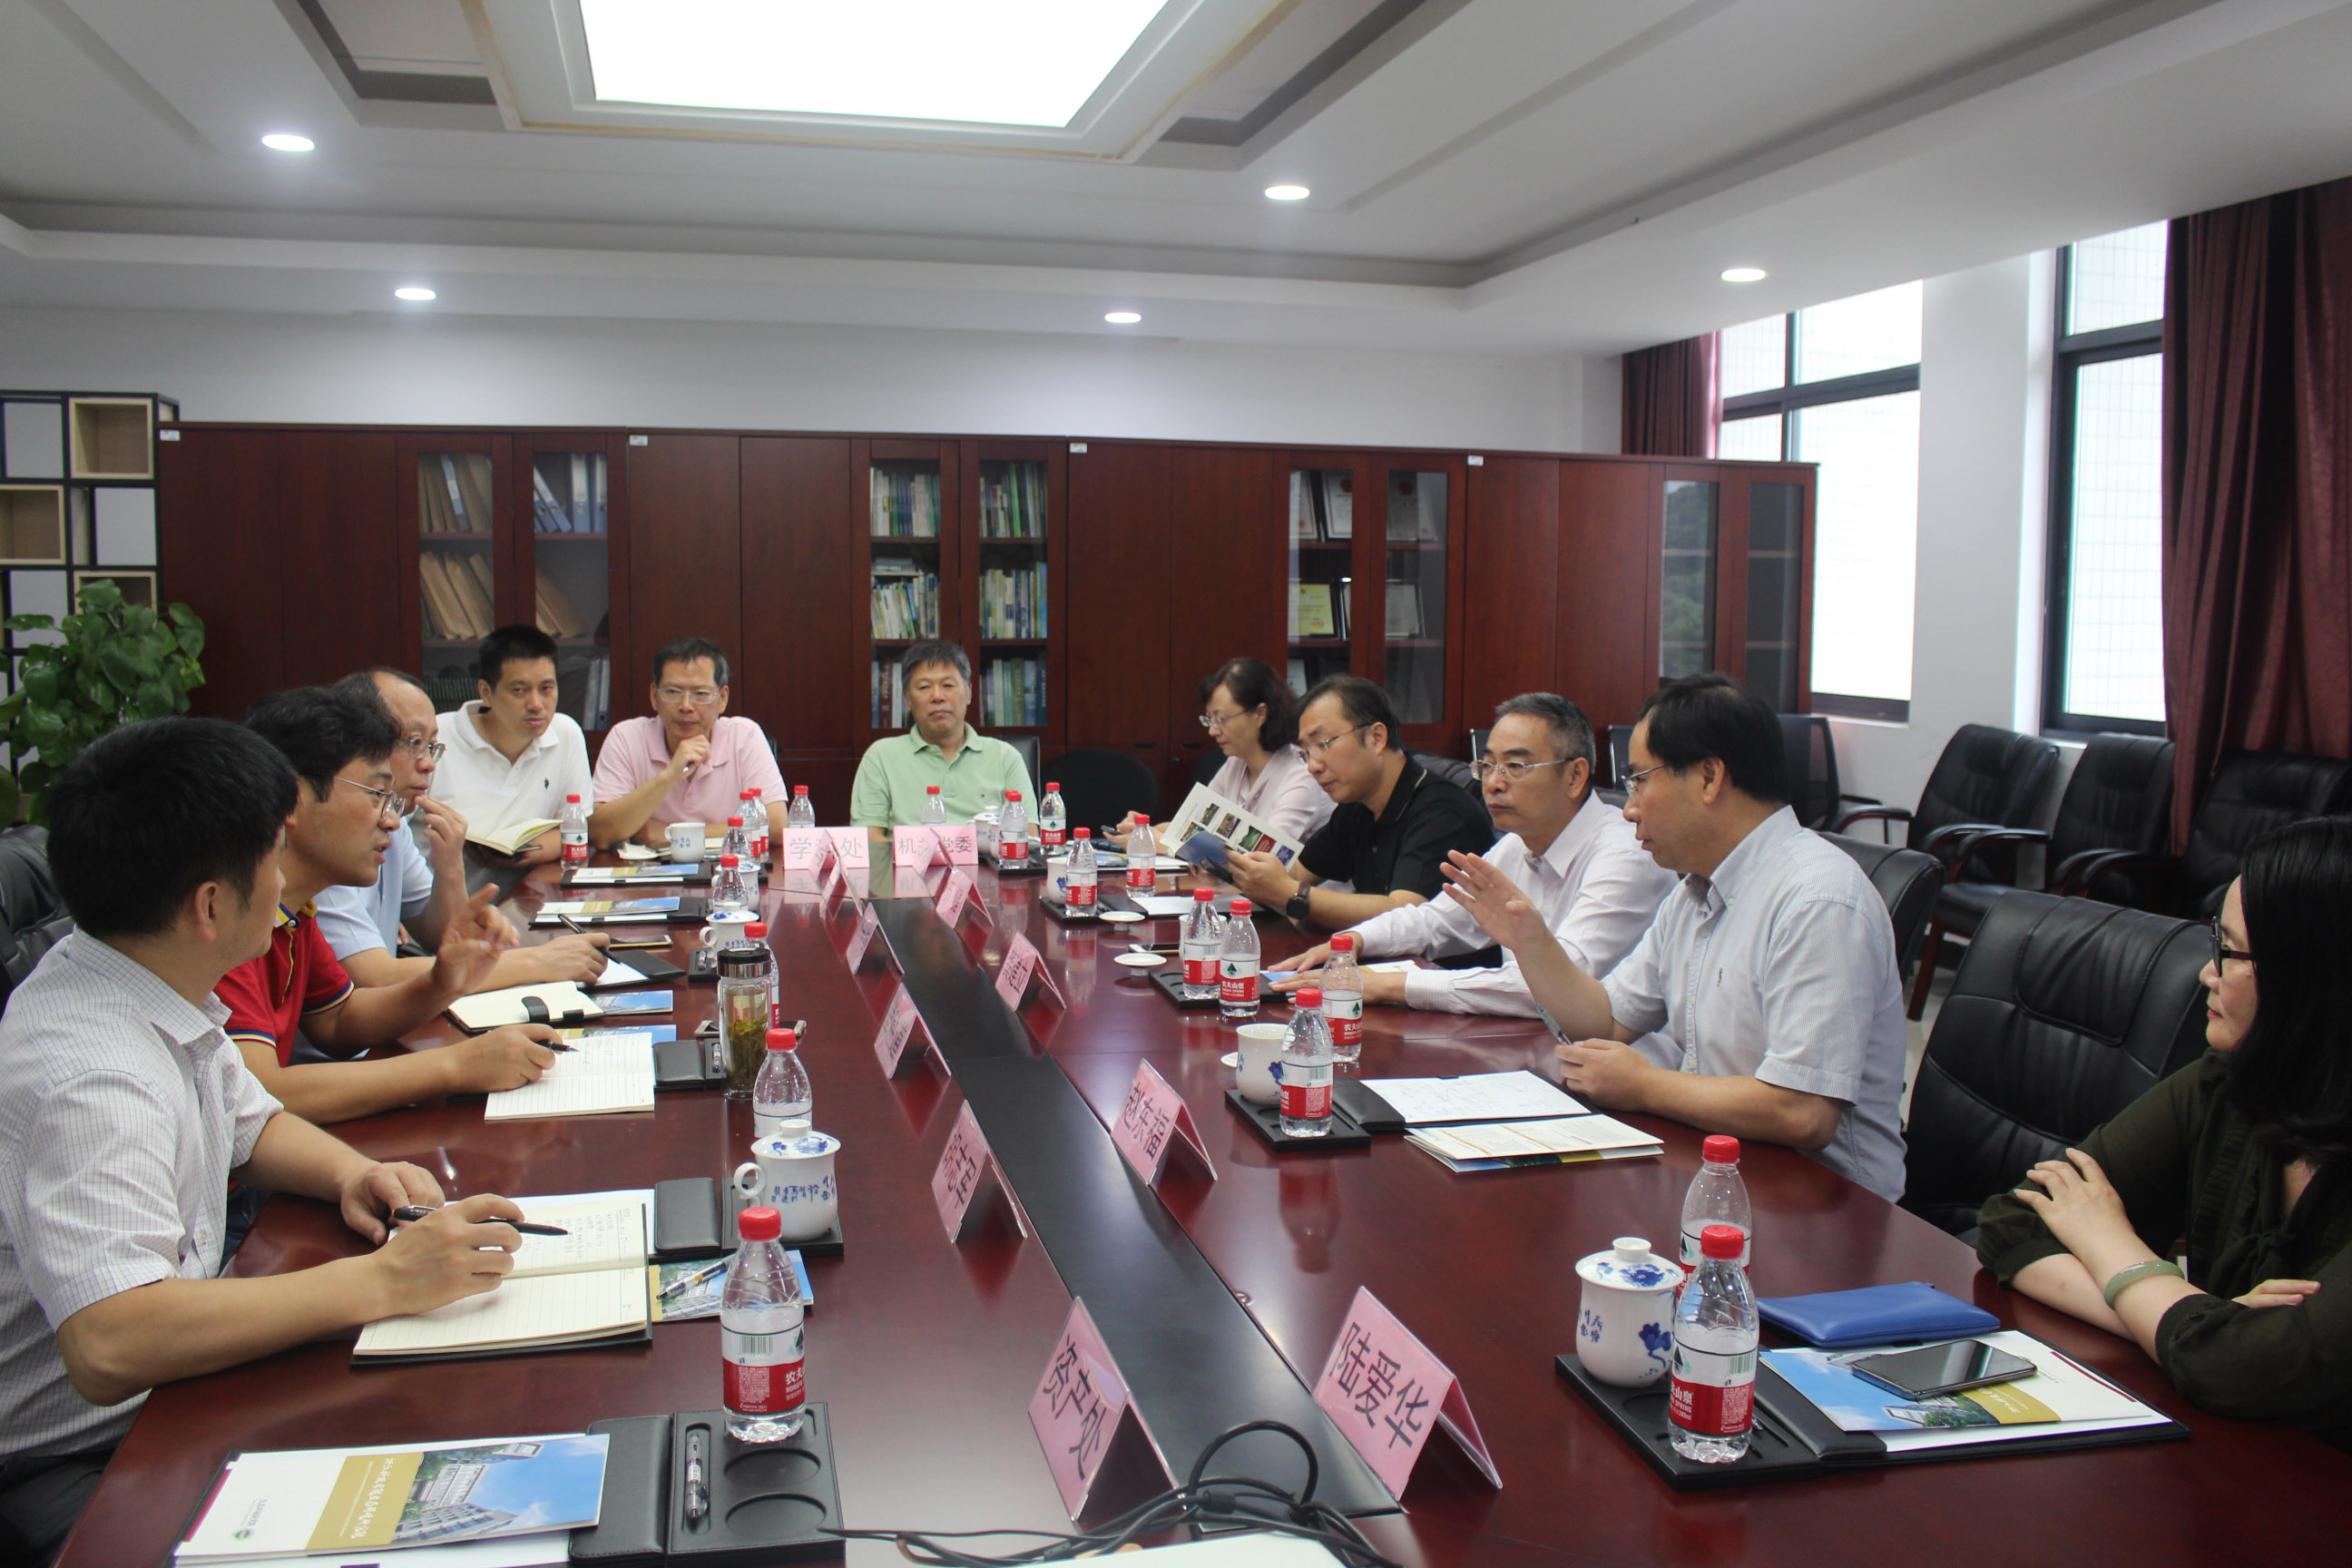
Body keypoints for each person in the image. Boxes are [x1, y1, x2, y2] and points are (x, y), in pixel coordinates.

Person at [0, 718, 525, 1563]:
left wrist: (355, 1174)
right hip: (89, 1454)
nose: (283, 881)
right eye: (269, 860)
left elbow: (249, 1121)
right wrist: (385, 1281)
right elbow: (110, 1340)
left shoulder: (142, 976)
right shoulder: (93, 1075)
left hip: (174, 1387)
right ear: (211, 905)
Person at [1441, 673, 1906, 1200]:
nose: (1629, 808)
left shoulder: (1817, 900)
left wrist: (1644, 1085)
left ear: (1708, 778)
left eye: (1640, 781)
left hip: (1829, 1205)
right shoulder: (1693, 891)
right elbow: (1606, 1022)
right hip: (1719, 1169)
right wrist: (1532, 944)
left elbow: (1803, 1111)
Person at [1975, 818, 2352, 1449]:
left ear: (2314, 978)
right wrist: (2190, 1317)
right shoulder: (2234, 1080)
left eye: (2229, 952)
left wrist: (2115, 1250)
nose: (2207, 973)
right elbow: (2012, 1223)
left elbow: (2242, 1370)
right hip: (2227, 1457)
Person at [220, 685, 563, 1125]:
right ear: (291, 796)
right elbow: (262, 1093)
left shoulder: (294, 910)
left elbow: (337, 1019)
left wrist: (441, 983)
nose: (391, 820)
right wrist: (455, 1066)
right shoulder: (228, 914)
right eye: (376, 793)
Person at [1273, 694, 1671, 1015]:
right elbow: (1436, 920)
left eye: (1515, 766)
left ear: (1575, 776)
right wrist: (1354, 942)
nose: (1493, 783)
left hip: (1618, 1070)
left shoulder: (1625, 857)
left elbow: (1556, 985)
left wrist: (1394, 985)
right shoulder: (1519, 843)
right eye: (1488, 765)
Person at [314, 669, 608, 990]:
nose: (428, 763)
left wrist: (450, 865)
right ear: (357, 741)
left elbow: (443, 937)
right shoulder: (326, 835)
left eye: (432, 746)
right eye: (414, 743)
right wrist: (536, 961)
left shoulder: (394, 821)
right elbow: (375, 977)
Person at [1223, 675, 1491, 931]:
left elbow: (1405, 913)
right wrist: (1238, 864)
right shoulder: (1358, 804)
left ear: (1376, 738)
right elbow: (1297, 872)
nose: (1313, 766)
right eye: (1307, 752)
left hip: (1433, 963)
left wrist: (1292, 893)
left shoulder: (1442, 812)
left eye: (1323, 744)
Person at [590, 636, 789, 849]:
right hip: (649, 870)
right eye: (673, 692)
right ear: (654, 696)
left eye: (700, 694)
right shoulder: (627, 738)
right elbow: (598, 833)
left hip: (729, 867)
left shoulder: (744, 736)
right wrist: (669, 776)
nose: (686, 706)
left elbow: (776, 825)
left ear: (722, 699)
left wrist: (673, 835)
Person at [429, 624, 594, 866]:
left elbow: (575, 830)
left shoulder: (566, 734)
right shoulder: (436, 736)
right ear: (486, 692)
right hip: (441, 886)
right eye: (519, 690)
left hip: (527, 885)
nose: (536, 704)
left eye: (546, 689)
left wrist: (519, 855)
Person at [1126, 658, 1331, 843]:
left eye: (1221, 719)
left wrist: (1156, 843)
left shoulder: (1302, 775)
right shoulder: (1236, 764)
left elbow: (1263, 853)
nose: (1212, 731)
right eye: (1210, 720)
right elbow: (1191, 825)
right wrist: (1143, 829)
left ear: (1260, 714)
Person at [849, 641, 1032, 838]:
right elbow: (869, 840)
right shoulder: (881, 757)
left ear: (969, 693)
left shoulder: (1005, 757)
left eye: (948, 685)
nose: (937, 696)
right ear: (907, 700)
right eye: (924, 687)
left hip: (987, 859)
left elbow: (1028, 837)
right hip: (906, 859)